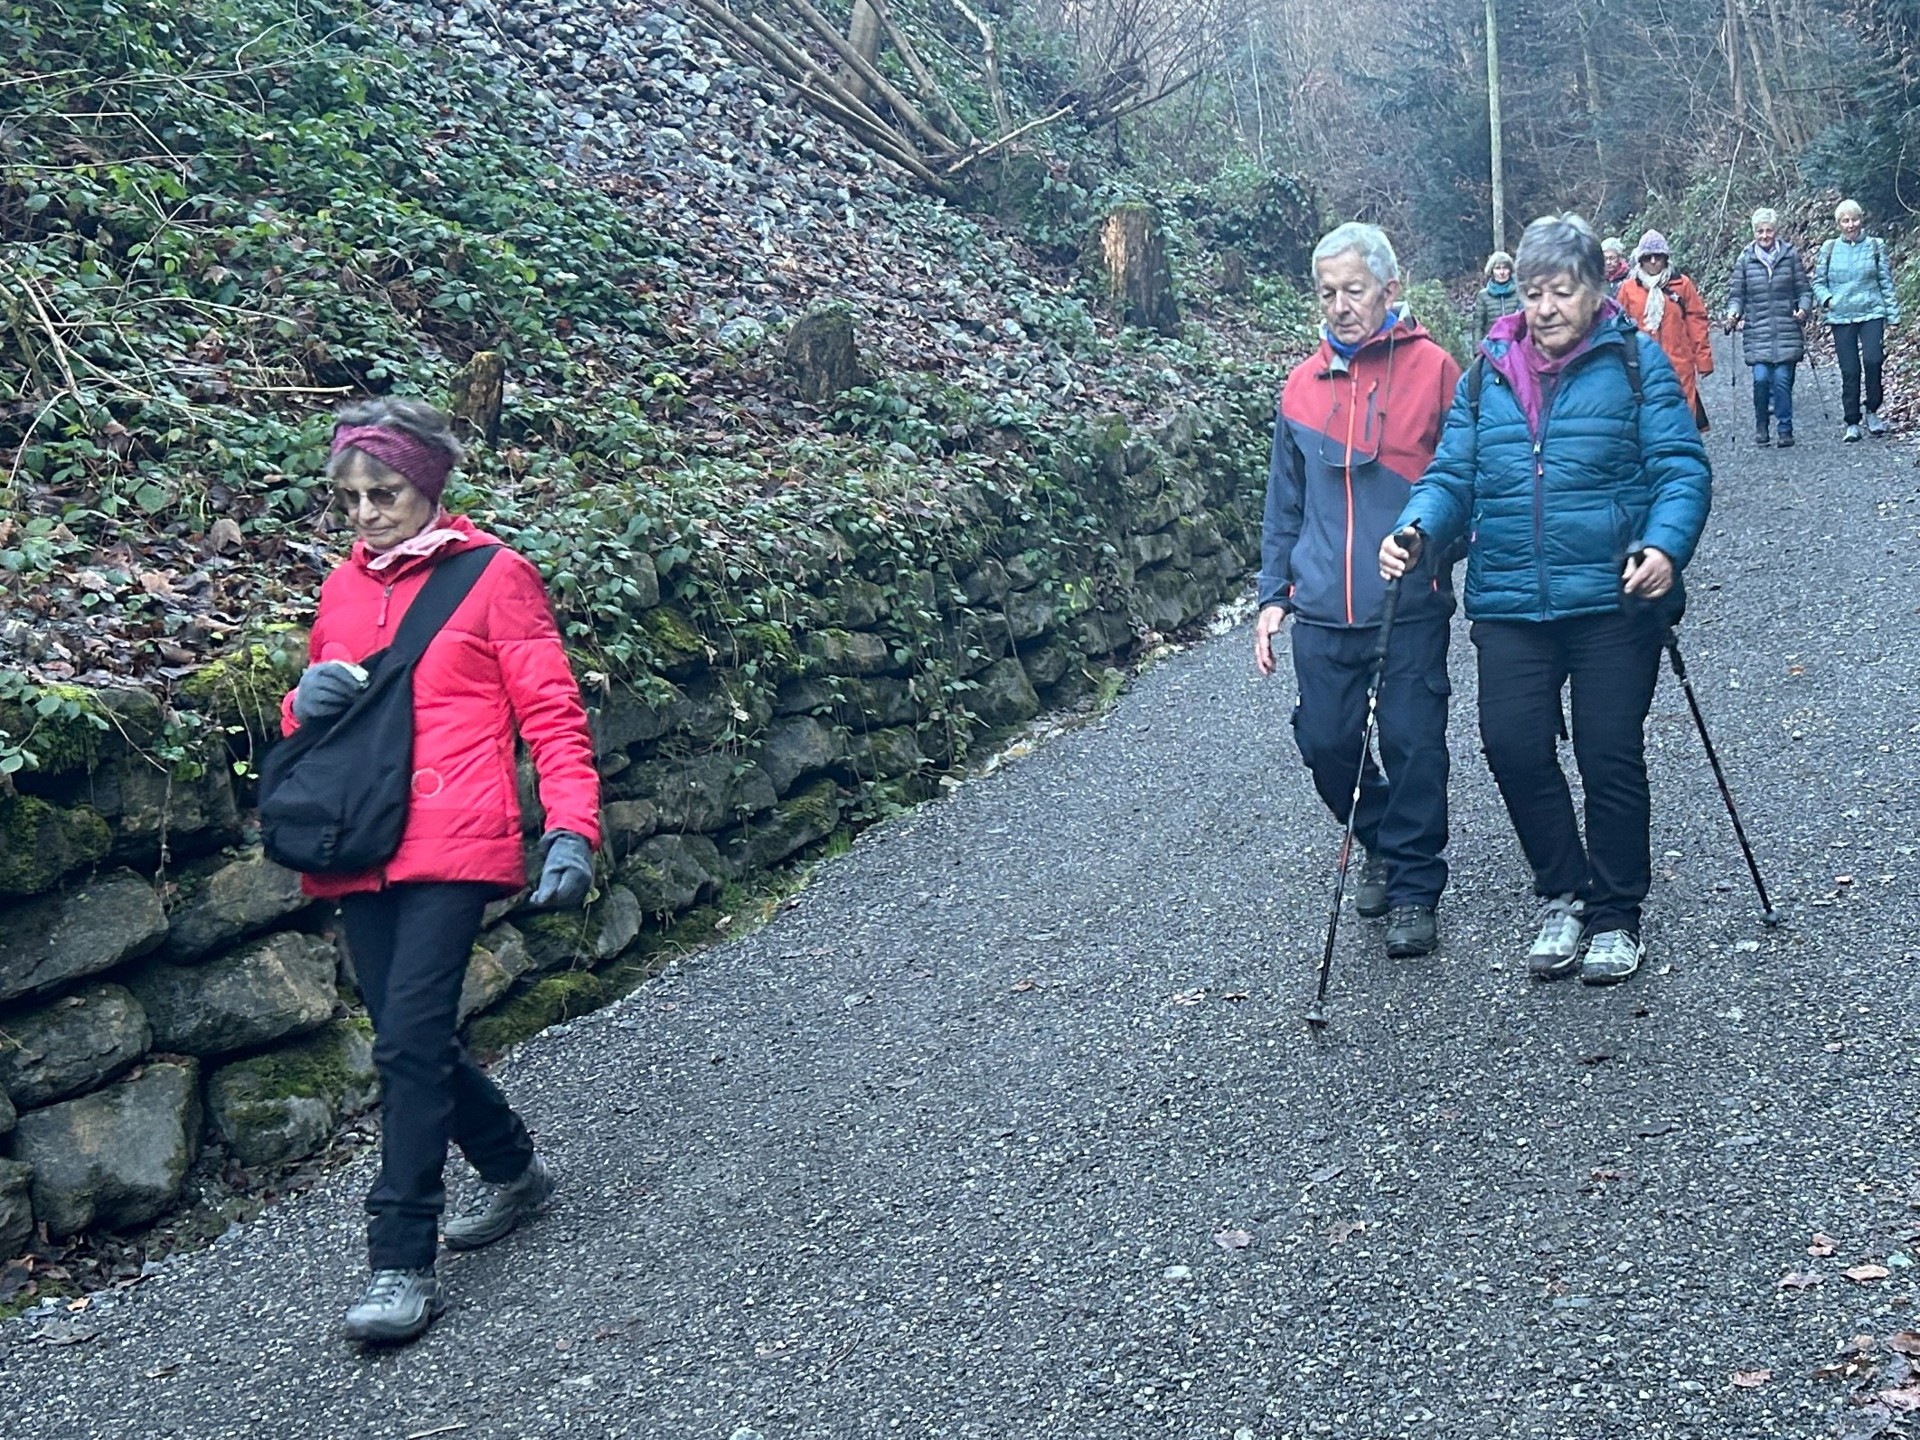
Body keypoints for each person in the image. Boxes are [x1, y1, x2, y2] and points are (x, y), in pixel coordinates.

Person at [281, 397, 602, 1344]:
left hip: (456, 838)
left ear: (428, 486)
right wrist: (303, 701)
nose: (366, 513)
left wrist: (571, 828)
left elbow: (552, 712)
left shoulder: (496, 576)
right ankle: (514, 1170)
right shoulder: (342, 590)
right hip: (360, 838)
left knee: (408, 1042)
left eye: (384, 493)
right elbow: (320, 728)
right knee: (409, 1038)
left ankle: (399, 1260)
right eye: (350, 498)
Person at [1380, 213, 1711, 987]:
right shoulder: (1487, 371)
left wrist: (1664, 548)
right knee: (1513, 745)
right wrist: (1417, 528)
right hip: (1509, 597)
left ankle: (1616, 914)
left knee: (1608, 753)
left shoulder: (1633, 361)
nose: (1546, 308)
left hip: (1612, 596)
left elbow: (1680, 469)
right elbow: (1452, 476)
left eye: (1561, 291)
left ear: (1595, 291)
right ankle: (1565, 889)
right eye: (1533, 293)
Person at [1254, 222, 1463, 961]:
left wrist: (1431, 547)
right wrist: (1272, 596)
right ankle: (1377, 835)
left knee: (1412, 744)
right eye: (1327, 293)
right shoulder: (1299, 385)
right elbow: (1283, 503)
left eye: (1354, 290)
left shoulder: (1436, 371)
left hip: (1407, 603)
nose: (1340, 306)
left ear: (1389, 290)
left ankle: (1413, 887)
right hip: (1320, 606)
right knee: (1326, 743)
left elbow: (1464, 484)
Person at [1813, 198, 1901, 441]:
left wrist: (1893, 316)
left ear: (1861, 220)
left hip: (1872, 312)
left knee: (1873, 360)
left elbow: (1885, 282)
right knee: (1850, 370)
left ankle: (1872, 410)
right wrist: (1828, 300)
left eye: (1854, 219)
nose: (1850, 225)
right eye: (1845, 220)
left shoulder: (1875, 246)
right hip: (1841, 316)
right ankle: (1851, 421)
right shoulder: (1829, 248)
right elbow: (1818, 282)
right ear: (1838, 224)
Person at [1725, 207, 1813, 447]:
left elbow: (1804, 290)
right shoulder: (1745, 260)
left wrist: (1803, 309)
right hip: (1758, 331)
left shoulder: (1790, 256)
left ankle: (1785, 428)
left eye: (1769, 230)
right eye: (1760, 231)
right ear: (1754, 232)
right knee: (1761, 379)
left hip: (1787, 329)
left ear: (1776, 231)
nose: (1764, 236)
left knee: (1783, 380)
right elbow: (1736, 295)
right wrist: (1733, 314)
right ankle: (1761, 423)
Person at [1614, 229, 1715, 431]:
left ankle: (1685, 445)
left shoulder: (1682, 284)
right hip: (1643, 364)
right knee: (1651, 414)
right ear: (1640, 260)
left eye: (1658, 256)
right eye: (1647, 257)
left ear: (1665, 258)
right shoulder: (1628, 289)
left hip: (1680, 362)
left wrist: (1703, 360)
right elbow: (1620, 326)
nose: (1653, 261)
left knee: (1684, 413)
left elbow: (1697, 322)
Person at [1474, 251, 1521, 341]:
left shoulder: (1519, 292)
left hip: (1516, 344)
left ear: (1510, 270)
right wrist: (1477, 348)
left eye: (1505, 268)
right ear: (1492, 270)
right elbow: (1478, 326)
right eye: (1497, 268)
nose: (1502, 272)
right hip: (1492, 345)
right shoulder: (1483, 295)